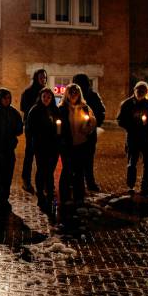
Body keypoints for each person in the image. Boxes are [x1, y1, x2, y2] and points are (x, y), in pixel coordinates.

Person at [116, 81, 148, 196]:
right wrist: (133, 125)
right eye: (138, 90)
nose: (140, 92)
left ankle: (145, 186)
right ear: (134, 90)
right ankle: (131, 185)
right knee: (132, 163)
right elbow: (120, 120)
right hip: (132, 138)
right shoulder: (126, 104)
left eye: (143, 90)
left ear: (146, 92)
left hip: (147, 138)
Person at [58, 84, 97, 213]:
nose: (74, 94)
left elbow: (92, 122)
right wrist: (60, 136)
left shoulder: (85, 108)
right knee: (67, 170)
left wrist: (87, 128)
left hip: (81, 144)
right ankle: (65, 197)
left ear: (79, 94)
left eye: (76, 92)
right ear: (67, 94)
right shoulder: (62, 108)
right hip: (67, 145)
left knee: (79, 171)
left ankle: (78, 197)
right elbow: (58, 124)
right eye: (71, 92)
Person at [0, 88, 24, 215]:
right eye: (4, 98)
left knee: (8, 174)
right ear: (0, 98)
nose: (7, 100)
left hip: (8, 148)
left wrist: (13, 130)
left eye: (8, 98)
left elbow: (19, 128)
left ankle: (5, 197)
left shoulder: (13, 112)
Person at [26, 87, 60, 214]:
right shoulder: (35, 110)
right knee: (41, 169)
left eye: (49, 97)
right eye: (44, 97)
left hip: (53, 145)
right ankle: (40, 193)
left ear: (52, 99)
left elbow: (59, 125)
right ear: (41, 97)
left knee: (50, 169)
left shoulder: (55, 110)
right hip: (40, 145)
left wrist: (58, 133)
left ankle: (50, 190)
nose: (46, 99)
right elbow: (30, 129)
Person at [72, 74, 105, 191]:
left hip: (89, 133)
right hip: (75, 134)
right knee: (77, 159)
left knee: (88, 159)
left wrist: (92, 124)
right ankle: (78, 182)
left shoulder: (93, 96)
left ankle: (89, 182)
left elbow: (101, 113)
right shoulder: (72, 96)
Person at [19, 69, 47, 193]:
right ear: (36, 78)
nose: (44, 80)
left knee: (43, 155)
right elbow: (23, 107)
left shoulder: (46, 92)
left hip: (44, 128)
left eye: (45, 77)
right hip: (32, 127)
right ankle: (26, 180)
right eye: (41, 77)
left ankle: (42, 181)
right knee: (29, 154)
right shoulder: (28, 92)